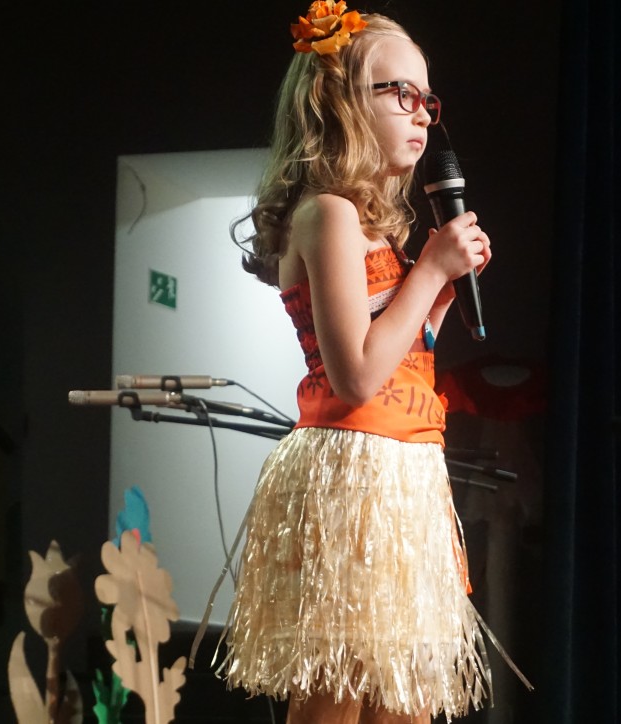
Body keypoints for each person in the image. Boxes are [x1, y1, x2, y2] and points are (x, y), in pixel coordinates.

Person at [198, 3, 527, 722]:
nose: (422, 114)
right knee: (337, 695)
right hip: (354, 474)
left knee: (404, 700)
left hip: (405, 471)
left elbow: (404, 358)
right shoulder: (328, 213)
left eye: (428, 99)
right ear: (340, 100)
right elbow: (355, 377)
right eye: (400, 93)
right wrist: (430, 271)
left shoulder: (376, 226)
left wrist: (439, 292)